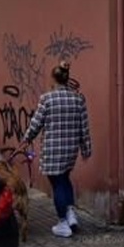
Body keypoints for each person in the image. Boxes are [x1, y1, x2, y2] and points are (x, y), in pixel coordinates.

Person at [21, 61, 92, 238]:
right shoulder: (78, 99)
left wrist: (26, 139)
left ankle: (62, 223)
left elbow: (36, 123)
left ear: (53, 79)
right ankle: (70, 213)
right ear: (67, 79)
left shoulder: (47, 99)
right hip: (70, 149)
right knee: (64, 178)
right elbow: (84, 127)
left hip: (53, 149)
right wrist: (86, 150)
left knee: (57, 183)